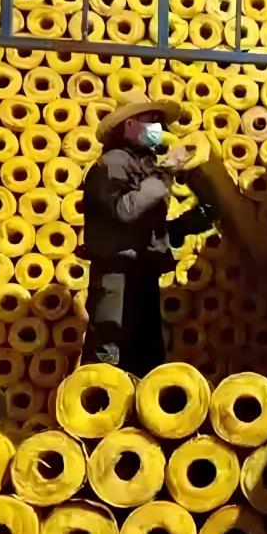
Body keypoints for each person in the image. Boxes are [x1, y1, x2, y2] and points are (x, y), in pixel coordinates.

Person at [80, 92, 215, 377]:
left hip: (142, 273)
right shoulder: (112, 164)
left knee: (146, 355)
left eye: (158, 120)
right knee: (109, 354)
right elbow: (125, 211)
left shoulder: (144, 164)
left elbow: (145, 229)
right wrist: (166, 171)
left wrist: (187, 224)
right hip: (116, 276)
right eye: (149, 119)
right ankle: (96, 404)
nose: (157, 127)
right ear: (129, 124)